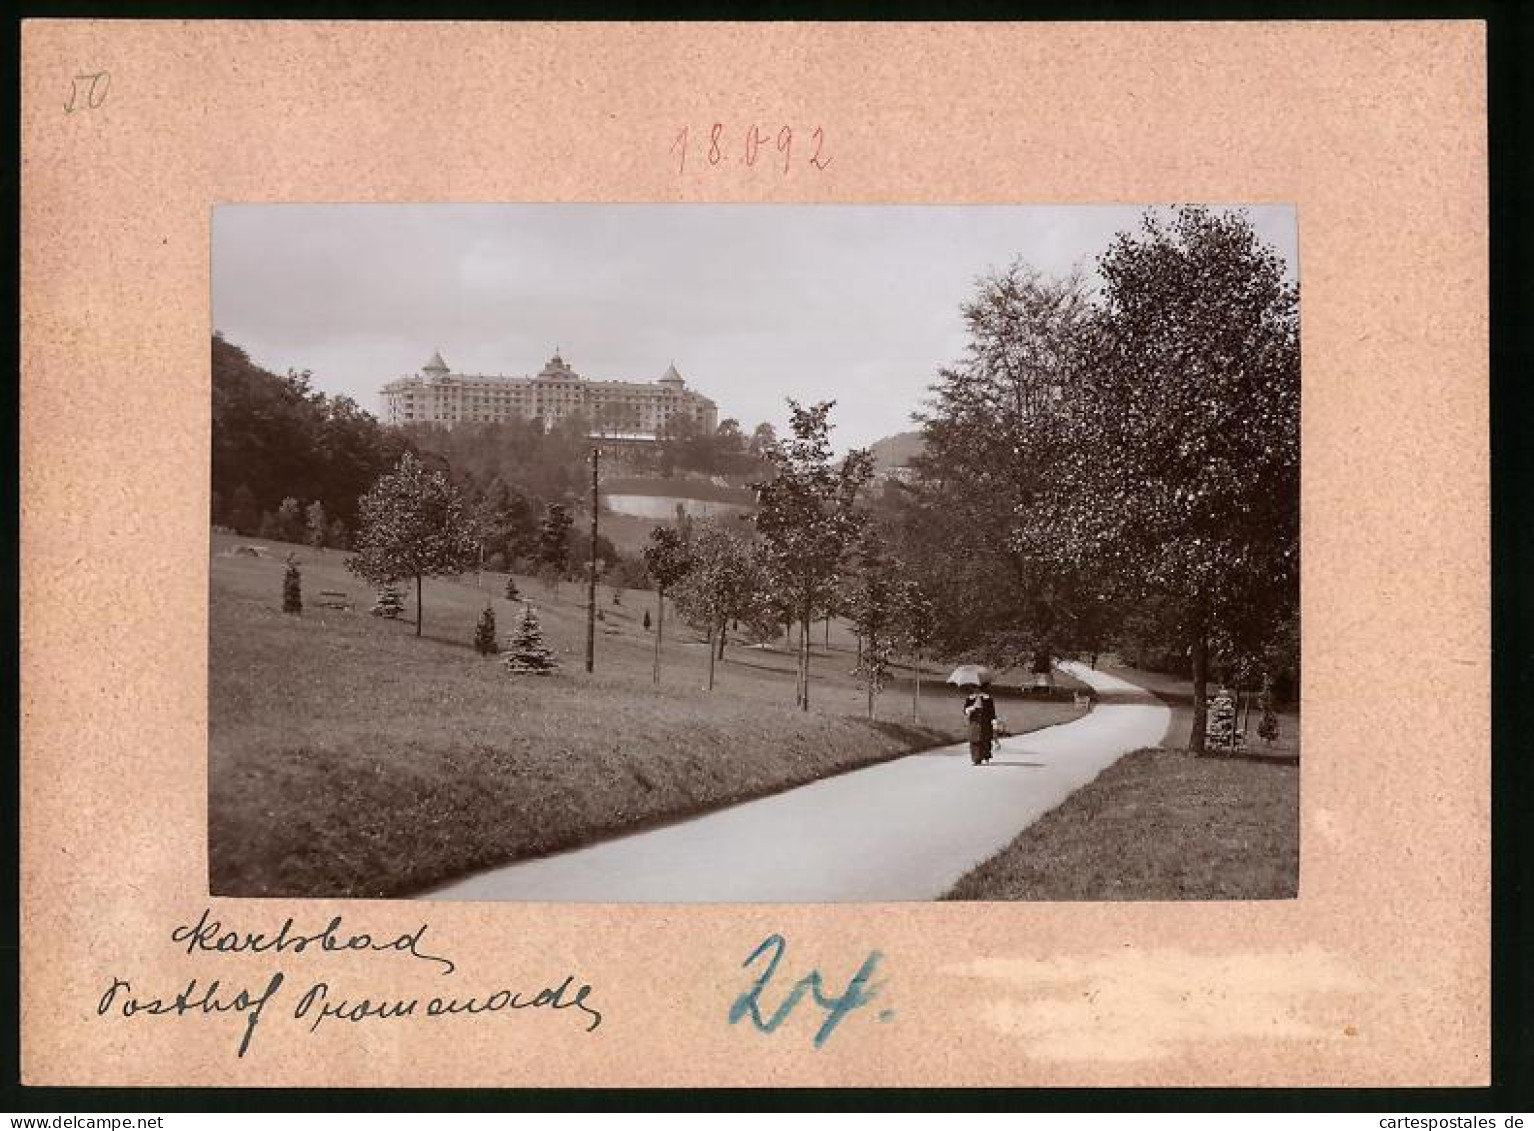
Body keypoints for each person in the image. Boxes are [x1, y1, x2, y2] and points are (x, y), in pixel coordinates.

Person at [962, 682, 996, 765]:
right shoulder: (970, 698)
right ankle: (976, 758)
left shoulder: (987, 698)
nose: (976, 690)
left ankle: (986, 755)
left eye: (979, 689)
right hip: (974, 721)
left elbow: (992, 712)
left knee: (985, 739)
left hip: (985, 721)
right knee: (974, 739)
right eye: (974, 688)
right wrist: (971, 708)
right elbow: (965, 710)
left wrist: (994, 721)